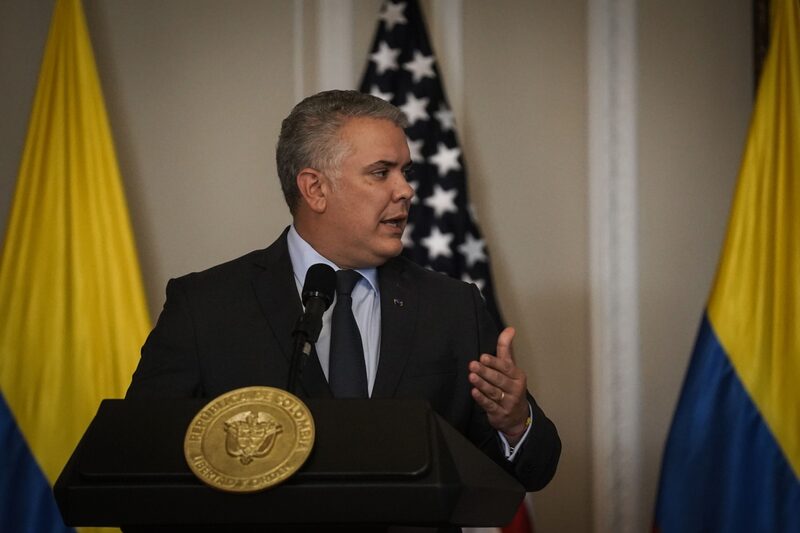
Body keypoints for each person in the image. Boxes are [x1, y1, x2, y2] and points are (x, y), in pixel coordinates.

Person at [127, 90, 560, 494]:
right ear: (315, 188)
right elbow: (139, 463)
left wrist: (516, 423)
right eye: (381, 172)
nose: (406, 190)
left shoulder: (452, 306)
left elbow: (532, 471)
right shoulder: (206, 306)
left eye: (405, 172)